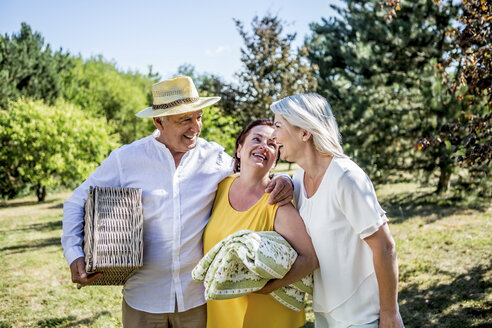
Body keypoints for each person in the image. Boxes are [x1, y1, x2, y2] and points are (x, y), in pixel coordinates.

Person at [61, 75, 293, 328]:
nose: (196, 127)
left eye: (199, 117)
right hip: (143, 299)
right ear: (159, 121)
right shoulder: (126, 158)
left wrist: (284, 179)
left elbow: (251, 171)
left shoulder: (213, 156)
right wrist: (74, 254)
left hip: (197, 299)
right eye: (185, 119)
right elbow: (76, 201)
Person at [270, 93, 405, 328]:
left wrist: (390, 314)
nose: (273, 136)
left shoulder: (346, 177)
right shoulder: (300, 178)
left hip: (363, 317)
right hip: (325, 314)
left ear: (304, 132)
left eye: (278, 126)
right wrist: (283, 179)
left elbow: (385, 247)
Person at [202, 119, 319, 328]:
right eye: (256, 139)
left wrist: (271, 286)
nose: (264, 146)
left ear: (275, 158)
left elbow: (310, 258)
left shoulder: (277, 203)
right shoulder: (218, 188)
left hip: (269, 317)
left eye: (273, 144)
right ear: (239, 149)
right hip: (222, 313)